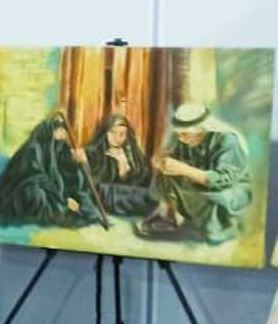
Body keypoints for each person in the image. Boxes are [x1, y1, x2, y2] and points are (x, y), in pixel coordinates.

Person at [136, 103, 251, 243]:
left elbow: (224, 179)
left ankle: (219, 228)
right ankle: (167, 214)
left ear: (202, 129)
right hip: (199, 183)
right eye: (179, 134)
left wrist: (184, 169)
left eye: (185, 134)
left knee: (212, 199)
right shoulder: (185, 139)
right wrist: (161, 162)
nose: (181, 139)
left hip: (228, 189)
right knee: (165, 174)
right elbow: (172, 156)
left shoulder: (227, 141)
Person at [0, 111, 98, 227]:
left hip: (54, 193)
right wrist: (62, 198)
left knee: (79, 199)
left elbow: (68, 173)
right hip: (25, 192)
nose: (60, 141)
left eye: (62, 138)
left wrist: (79, 163)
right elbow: (34, 178)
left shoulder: (58, 149)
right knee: (35, 194)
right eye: (57, 136)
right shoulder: (32, 151)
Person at [76, 114, 154, 215]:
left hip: (124, 194)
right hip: (104, 196)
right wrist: (84, 162)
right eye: (113, 132)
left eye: (122, 134)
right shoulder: (93, 152)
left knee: (149, 196)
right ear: (105, 133)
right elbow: (89, 182)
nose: (117, 138)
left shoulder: (133, 152)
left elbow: (141, 180)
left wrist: (124, 167)